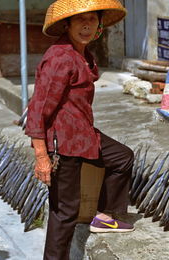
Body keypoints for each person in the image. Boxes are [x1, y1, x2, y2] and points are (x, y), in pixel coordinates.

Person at [24, 0, 134, 259]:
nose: (87, 26)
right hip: (63, 144)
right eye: (80, 21)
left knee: (122, 157)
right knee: (64, 212)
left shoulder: (81, 53)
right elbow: (38, 110)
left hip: (84, 135)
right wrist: (41, 156)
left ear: (98, 27)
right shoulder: (60, 57)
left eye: (92, 21)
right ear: (67, 24)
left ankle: (103, 216)